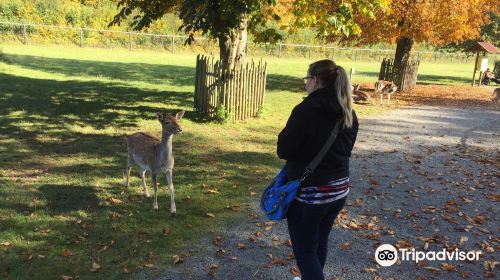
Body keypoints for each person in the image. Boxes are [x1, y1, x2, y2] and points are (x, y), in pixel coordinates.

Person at [277, 59, 359, 280]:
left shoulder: (305, 110)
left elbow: (283, 149)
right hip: (339, 191)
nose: (306, 84)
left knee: (305, 254)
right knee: (319, 243)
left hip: (311, 195)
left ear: (314, 80)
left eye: (307, 79)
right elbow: (346, 151)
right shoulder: (348, 111)